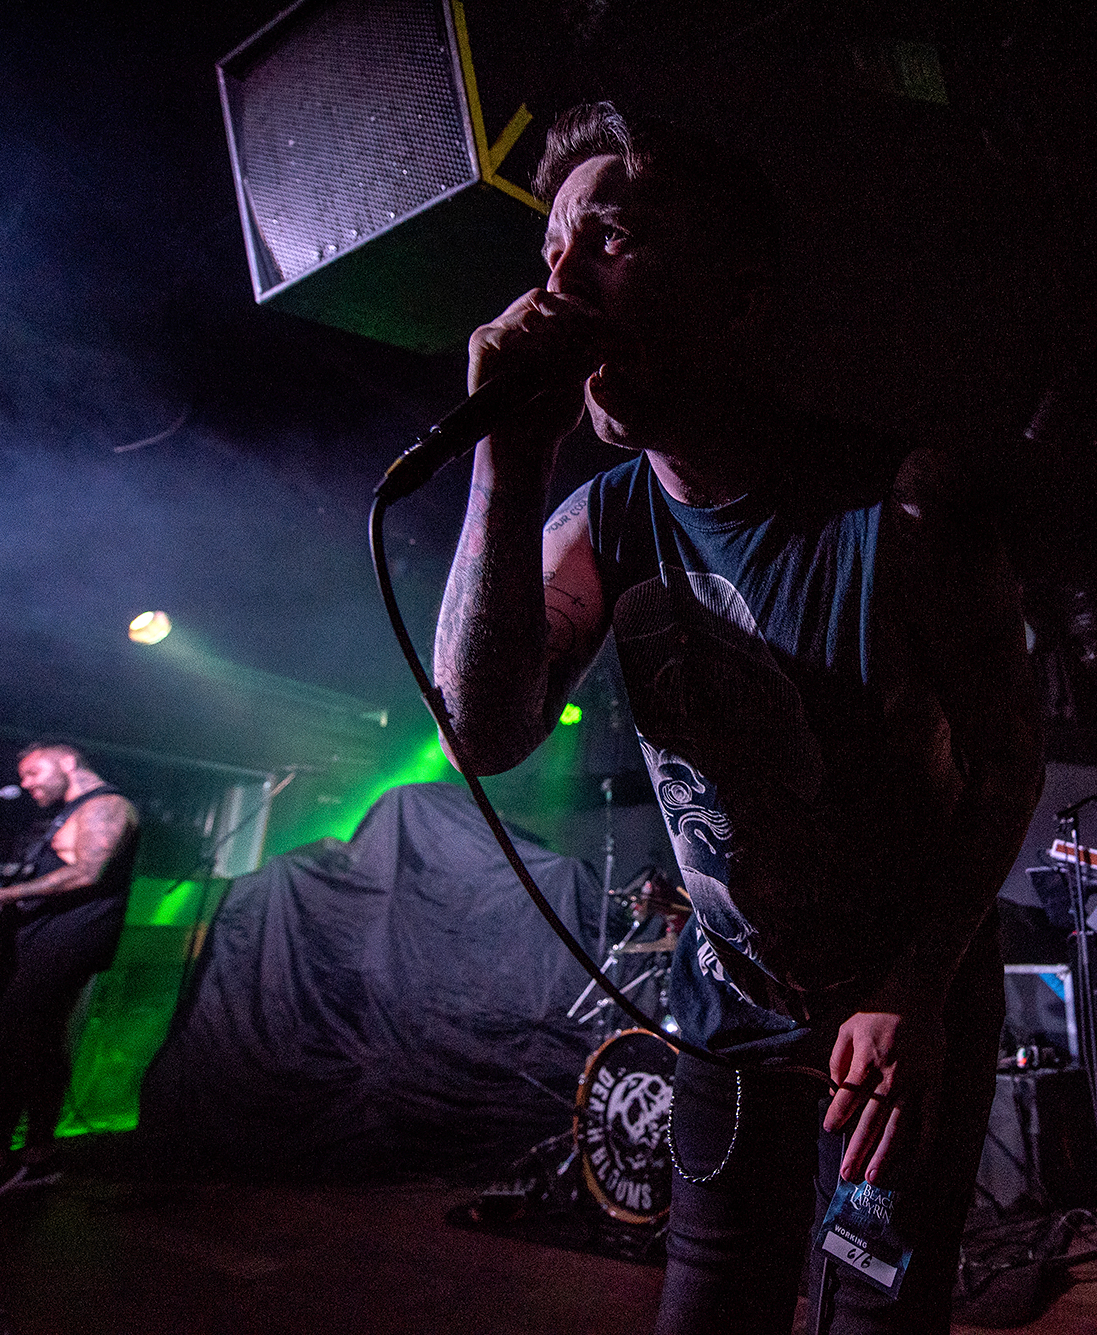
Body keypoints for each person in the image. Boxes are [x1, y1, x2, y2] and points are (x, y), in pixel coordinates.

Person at [432, 103, 1044, 1333]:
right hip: (727, 1005)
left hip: (898, 996)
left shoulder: (905, 506)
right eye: (549, 251)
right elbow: (483, 736)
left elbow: (1008, 763)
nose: (557, 284)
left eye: (610, 239)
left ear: (737, 299)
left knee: (874, 1316)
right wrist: (506, 461)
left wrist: (916, 984)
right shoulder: (601, 522)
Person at [0, 742, 139, 1226]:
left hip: (72, 940)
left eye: (33, 771)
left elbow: (89, 871)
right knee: (39, 1043)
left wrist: (0, 895)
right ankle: (40, 1156)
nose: (26, 784)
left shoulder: (107, 805)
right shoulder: (67, 813)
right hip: (42, 940)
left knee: (13, 1036)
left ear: (67, 761)